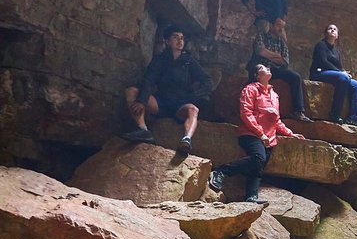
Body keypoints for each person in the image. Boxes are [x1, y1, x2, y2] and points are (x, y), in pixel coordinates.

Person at [209, 62, 305, 201]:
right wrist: (260, 133)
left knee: (258, 167)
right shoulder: (250, 89)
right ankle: (221, 171)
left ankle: (251, 196)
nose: (268, 68)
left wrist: (290, 133)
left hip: (269, 137)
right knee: (258, 158)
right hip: (251, 133)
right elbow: (246, 113)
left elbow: (276, 120)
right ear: (256, 75)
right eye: (262, 68)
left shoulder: (274, 95)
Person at [123, 25, 213, 153]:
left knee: (193, 110)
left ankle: (186, 140)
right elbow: (148, 80)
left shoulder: (188, 61)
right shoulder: (159, 60)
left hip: (180, 104)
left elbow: (207, 81)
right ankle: (143, 130)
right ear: (167, 41)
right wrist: (142, 101)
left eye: (182, 38)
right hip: (161, 102)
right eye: (175, 37)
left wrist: (194, 96)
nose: (180, 41)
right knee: (131, 92)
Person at [246, 17, 311, 121]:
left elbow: (285, 61)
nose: (281, 29)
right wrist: (277, 56)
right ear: (271, 25)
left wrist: (269, 54)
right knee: (258, 74)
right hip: (261, 67)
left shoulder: (281, 42)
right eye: (278, 25)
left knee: (295, 77)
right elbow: (260, 51)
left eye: (282, 27)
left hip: (275, 69)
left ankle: (298, 111)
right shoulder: (262, 36)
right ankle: (251, 109)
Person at [309, 23, 357, 127]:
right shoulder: (321, 45)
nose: (332, 30)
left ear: (337, 35)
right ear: (325, 33)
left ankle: (353, 118)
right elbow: (323, 62)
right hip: (319, 73)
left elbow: (339, 67)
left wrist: (344, 72)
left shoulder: (336, 51)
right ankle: (335, 113)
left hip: (334, 74)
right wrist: (341, 73)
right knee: (343, 78)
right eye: (330, 28)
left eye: (335, 29)